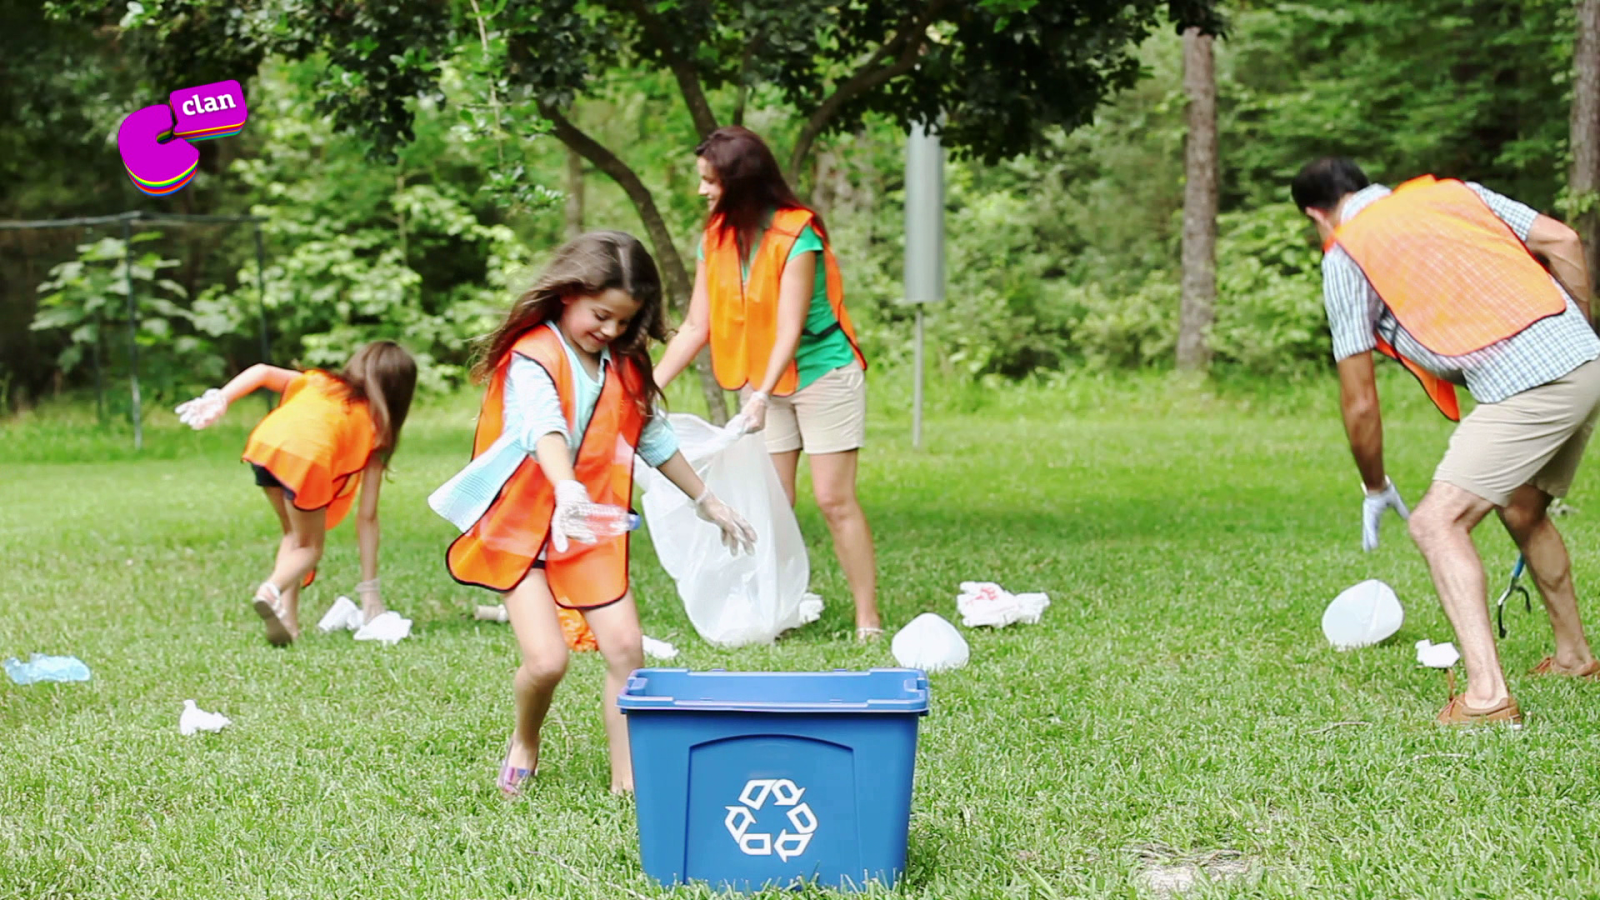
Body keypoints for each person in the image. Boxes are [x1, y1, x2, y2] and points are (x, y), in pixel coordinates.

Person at [430, 231, 757, 797]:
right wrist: (566, 489)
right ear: (569, 293)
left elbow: (651, 436)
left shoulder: (624, 363)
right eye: (601, 315)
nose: (610, 330)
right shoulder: (534, 354)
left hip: (588, 526)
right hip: (524, 527)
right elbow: (544, 427)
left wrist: (707, 500)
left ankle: (626, 783)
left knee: (627, 651)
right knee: (547, 662)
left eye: (623, 322)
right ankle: (525, 740)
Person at [1293, 156, 1600, 727]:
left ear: (1317, 214)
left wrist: (1374, 485)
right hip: (1585, 361)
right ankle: (1574, 658)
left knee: (1437, 523)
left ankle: (1486, 698)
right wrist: (1576, 333)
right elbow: (1562, 240)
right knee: (1523, 507)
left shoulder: (1347, 253)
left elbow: (1360, 401)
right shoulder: (1454, 193)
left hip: (1530, 384)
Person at [653, 125, 883, 642]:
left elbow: (789, 327)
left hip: (822, 373)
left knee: (833, 499)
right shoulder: (714, 239)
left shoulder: (798, 233)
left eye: (710, 180)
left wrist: (759, 396)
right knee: (772, 502)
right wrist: (647, 387)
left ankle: (868, 618)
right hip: (763, 383)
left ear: (740, 181)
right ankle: (775, 610)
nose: (702, 190)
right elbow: (696, 325)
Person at [175, 341, 417, 646]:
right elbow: (366, 518)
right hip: (308, 457)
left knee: (293, 534)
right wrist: (370, 589)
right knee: (310, 549)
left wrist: (221, 397)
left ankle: (288, 622)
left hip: (267, 444)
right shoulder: (376, 428)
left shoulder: (319, 382)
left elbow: (262, 372)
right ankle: (270, 590)